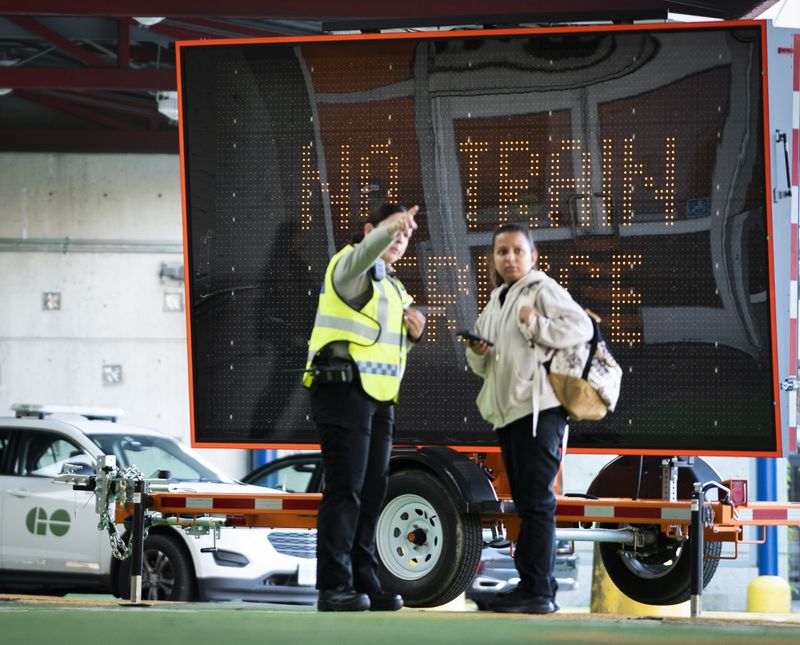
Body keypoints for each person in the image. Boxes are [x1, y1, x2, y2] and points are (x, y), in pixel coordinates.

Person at [464, 222, 592, 614]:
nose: (510, 257)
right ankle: (531, 587)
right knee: (526, 502)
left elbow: (582, 327)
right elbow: (481, 365)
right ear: (494, 259)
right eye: (502, 251)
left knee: (537, 502)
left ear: (533, 257)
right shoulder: (495, 302)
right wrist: (479, 352)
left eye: (518, 250)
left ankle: (539, 592)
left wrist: (535, 324)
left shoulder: (543, 290)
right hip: (509, 415)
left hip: (541, 412)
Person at [303, 203, 426, 612]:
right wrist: (386, 231)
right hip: (342, 390)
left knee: (373, 492)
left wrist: (413, 335)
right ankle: (334, 585)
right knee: (346, 491)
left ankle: (364, 580)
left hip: (378, 397)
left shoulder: (392, 286)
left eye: (405, 235)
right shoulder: (349, 267)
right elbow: (363, 255)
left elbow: (380, 346)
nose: (399, 239)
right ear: (370, 230)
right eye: (392, 231)